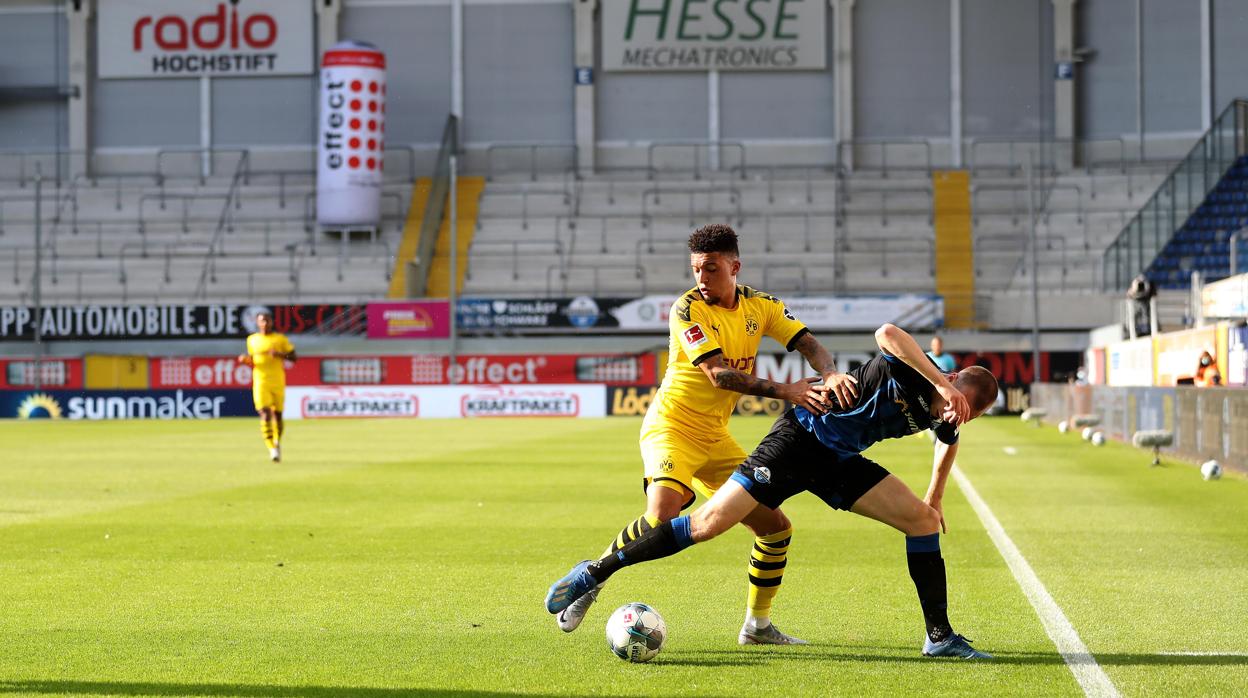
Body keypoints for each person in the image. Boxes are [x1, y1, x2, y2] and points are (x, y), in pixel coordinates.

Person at [547, 323, 1000, 659]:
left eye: (963, 415)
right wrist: (941, 384)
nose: (951, 414)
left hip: (838, 462)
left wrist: (935, 497)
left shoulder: (950, 414)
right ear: (953, 379)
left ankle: (938, 638)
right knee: (707, 524)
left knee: (921, 521)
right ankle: (594, 571)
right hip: (799, 439)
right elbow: (887, 333)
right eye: (953, 404)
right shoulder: (922, 374)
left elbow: (946, 442)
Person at [555, 223, 859, 646]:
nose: (701, 279)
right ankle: (594, 577)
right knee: (662, 513)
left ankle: (758, 627)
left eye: (711, 269)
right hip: (672, 426)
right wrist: (787, 391)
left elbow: (807, 342)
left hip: (716, 438)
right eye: (696, 269)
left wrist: (830, 371)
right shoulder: (687, 309)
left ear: (734, 266)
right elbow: (719, 375)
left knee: (775, 527)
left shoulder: (762, 305)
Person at [237, 311, 296, 462]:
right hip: (260, 381)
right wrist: (245, 360)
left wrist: (279, 354)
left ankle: (277, 441)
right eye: (262, 321)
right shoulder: (252, 340)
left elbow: (294, 357)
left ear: (271, 322)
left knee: (278, 416)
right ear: (257, 323)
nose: (265, 323)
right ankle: (271, 448)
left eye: (267, 320)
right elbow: (253, 360)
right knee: (265, 413)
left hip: (277, 380)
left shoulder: (279, 339)